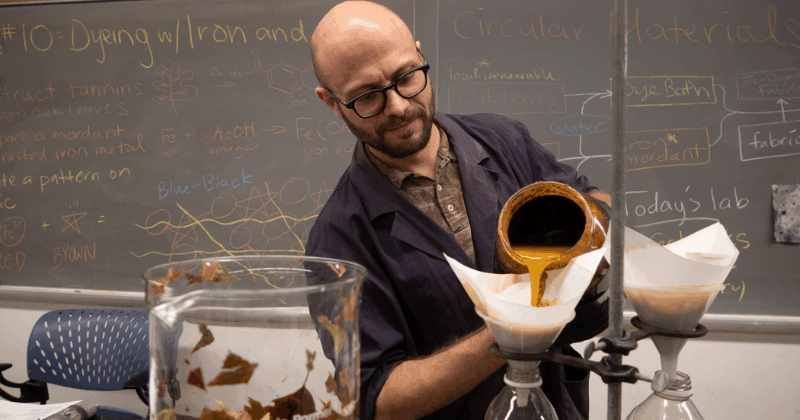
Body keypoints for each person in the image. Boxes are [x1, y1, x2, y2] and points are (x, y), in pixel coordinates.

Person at [305, 2, 612, 419]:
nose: (396, 105)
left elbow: (594, 199)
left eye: (406, 77)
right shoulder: (338, 237)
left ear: (418, 54)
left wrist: (591, 233)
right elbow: (375, 399)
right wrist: (508, 333)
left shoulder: (502, 140)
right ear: (331, 101)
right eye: (367, 96)